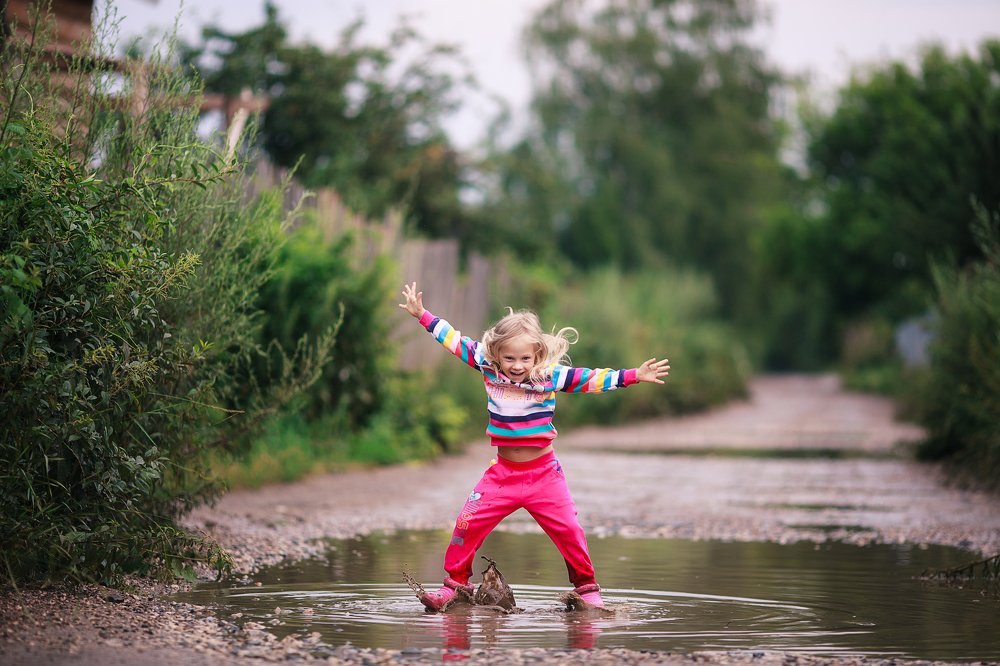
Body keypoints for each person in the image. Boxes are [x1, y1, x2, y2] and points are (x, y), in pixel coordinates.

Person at [399, 282, 670, 611]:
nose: (516, 365)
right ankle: (455, 585)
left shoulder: (549, 376)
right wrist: (422, 315)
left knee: (570, 530)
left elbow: (590, 379)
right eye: (509, 357)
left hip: (544, 475)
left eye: (525, 358)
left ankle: (586, 590)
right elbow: (454, 340)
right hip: (502, 474)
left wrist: (631, 375)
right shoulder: (487, 366)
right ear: (496, 354)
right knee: (466, 523)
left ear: (537, 355)